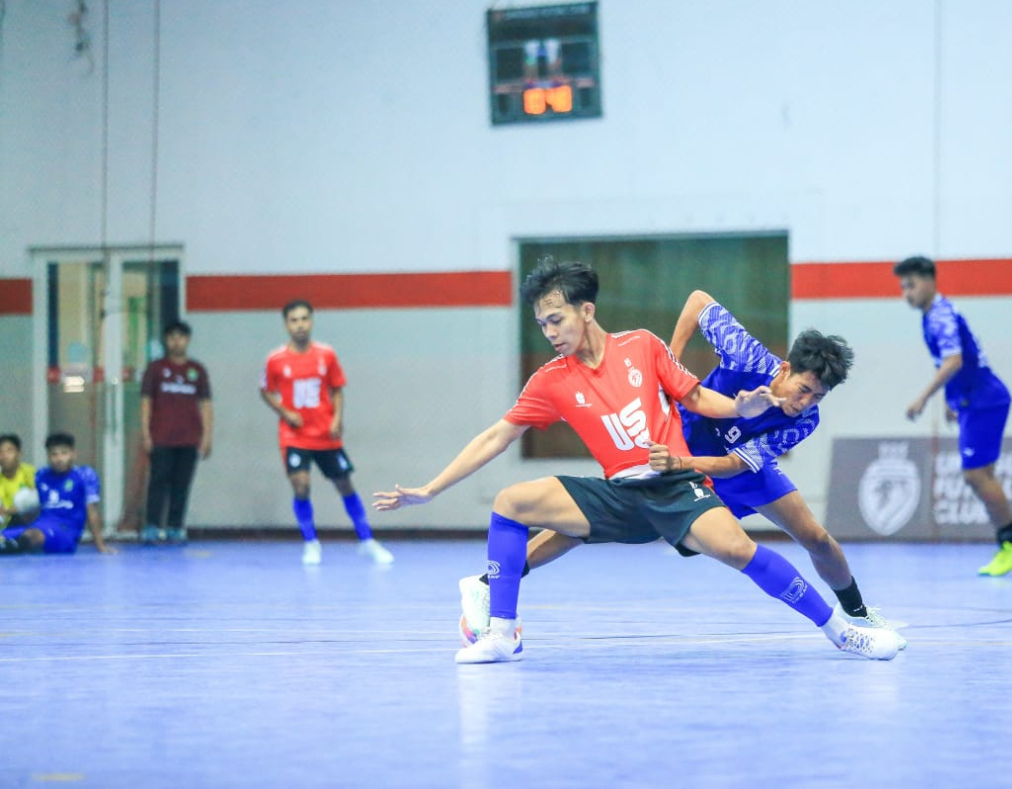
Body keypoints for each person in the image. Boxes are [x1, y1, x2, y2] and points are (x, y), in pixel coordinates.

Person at [374, 257, 903, 664]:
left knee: (758, 546)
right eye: (542, 325)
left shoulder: (643, 348)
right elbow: (496, 436)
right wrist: (431, 489)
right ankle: (500, 626)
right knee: (514, 502)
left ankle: (846, 629)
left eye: (556, 319)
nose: (550, 332)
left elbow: (708, 409)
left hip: (688, 477)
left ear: (586, 311)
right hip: (628, 486)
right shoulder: (551, 380)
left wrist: (742, 406)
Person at [893, 255, 1012, 575]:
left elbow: (954, 361)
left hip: (984, 399)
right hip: (973, 399)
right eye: (903, 287)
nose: (907, 293)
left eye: (911, 285)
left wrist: (923, 399)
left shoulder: (940, 316)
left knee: (976, 475)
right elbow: (955, 361)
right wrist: (950, 399)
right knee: (981, 475)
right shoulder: (933, 315)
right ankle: (1011, 542)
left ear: (930, 282)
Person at [260, 300, 394, 565]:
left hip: (325, 434)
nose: (300, 325)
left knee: (344, 484)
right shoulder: (275, 359)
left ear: (311, 321)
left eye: (304, 319)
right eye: (294, 320)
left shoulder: (326, 354)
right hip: (294, 435)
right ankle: (311, 542)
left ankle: (366, 539)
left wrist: (337, 419)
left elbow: (337, 389)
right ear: (286, 324)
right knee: (301, 484)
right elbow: (265, 390)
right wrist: (284, 412)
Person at [139, 320, 213, 545]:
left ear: (187, 340)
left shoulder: (197, 370)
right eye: (172, 337)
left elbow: (206, 405)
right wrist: (146, 433)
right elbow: (146, 402)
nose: (176, 341)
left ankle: (175, 527)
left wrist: (207, 436)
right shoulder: (156, 369)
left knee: (182, 485)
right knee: (158, 483)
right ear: (166, 340)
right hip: (161, 437)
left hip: (189, 439)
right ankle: (152, 526)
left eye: (181, 337)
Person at [1, 432, 117, 555]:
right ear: (48, 456)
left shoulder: (85, 475)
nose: (59, 459)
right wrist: (10, 511)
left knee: (34, 535)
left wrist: (101, 546)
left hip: (65, 532)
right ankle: (13, 546)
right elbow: (36, 506)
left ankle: (11, 547)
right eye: (54, 454)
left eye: (64, 453)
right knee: (10, 534)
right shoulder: (41, 475)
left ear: (73, 454)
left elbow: (92, 512)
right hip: (39, 525)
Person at [0, 433, 38, 530]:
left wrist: (9, 510)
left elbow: (37, 501)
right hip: (5, 526)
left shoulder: (29, 472)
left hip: (28, 522)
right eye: (1, 452)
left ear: (19, 453)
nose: (4, 456)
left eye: (9, 451)